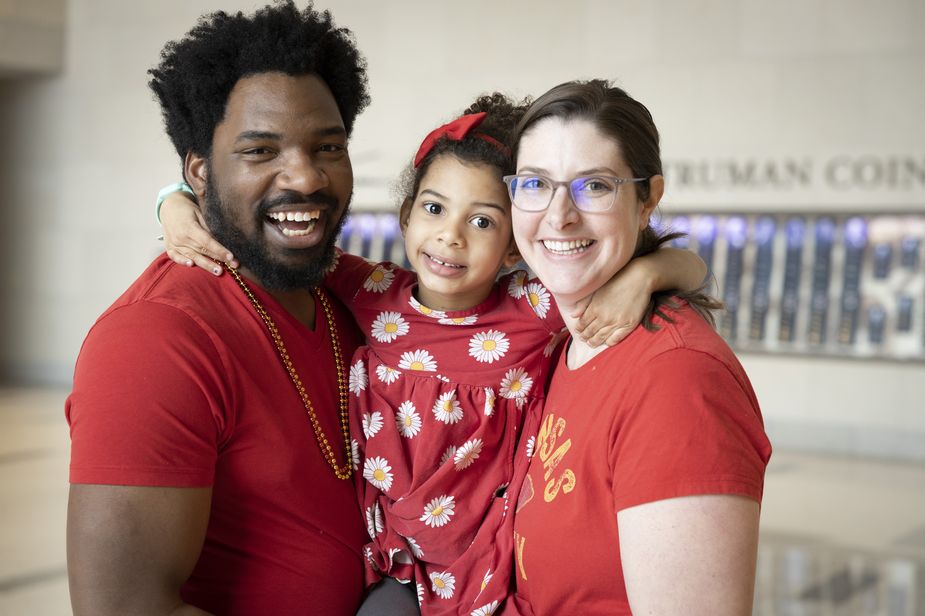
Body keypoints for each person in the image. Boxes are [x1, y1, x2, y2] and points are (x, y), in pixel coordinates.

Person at [157, 91, 709, 613]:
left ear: (516, 246)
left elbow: (692, 266)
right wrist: (174, 205)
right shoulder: (372, 293)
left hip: (493, 562)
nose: (451, 237)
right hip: (397, 563)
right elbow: (251, 225)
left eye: (482, 221)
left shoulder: (532, 307)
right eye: (434, 209)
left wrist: (645, 275)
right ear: (405, 217)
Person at [64, 3, 386, 615]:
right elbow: (125, 609)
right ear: (200, 173)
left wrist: (630, 273)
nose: (307, 177)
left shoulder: (354, 293)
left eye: (328, 146)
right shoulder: (154, 339)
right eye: (260, 151)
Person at [505, 79, 773, 615]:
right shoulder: (556, 337)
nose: (559, 216)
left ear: (648, 199)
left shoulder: (677, 381)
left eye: (595, 186)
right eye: (535, 184)